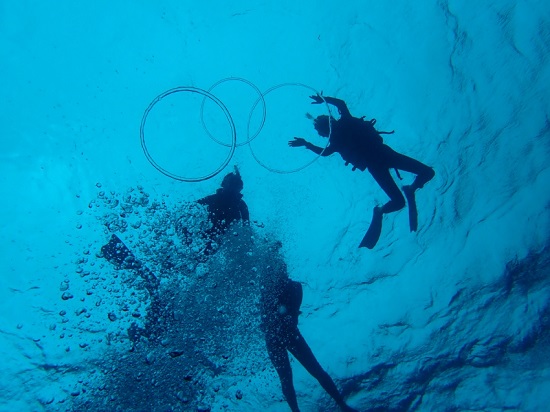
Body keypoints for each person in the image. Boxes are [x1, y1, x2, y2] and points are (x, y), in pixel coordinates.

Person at [288, 94, 435, 249]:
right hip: (379, 163)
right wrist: (307, 142)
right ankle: (380, 210)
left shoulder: (344, 124)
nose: (323, 133)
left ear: (326, 129)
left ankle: (410, 189)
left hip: (384, 157)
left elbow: (340, 105)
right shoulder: (339, 136)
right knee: (401, 200)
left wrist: (307, 142)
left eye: (322, 132)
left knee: (425, 176)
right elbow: (339, 108)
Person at [260, 248, 358, 412]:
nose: (280, 271)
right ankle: (297, 411)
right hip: (273, 337)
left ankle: (342, 405)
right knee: (286, 378)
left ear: (285, 268)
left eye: (281, 267)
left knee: (315, 370)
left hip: (289, 334)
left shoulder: (294, 287)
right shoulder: (267, 288)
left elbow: (292, 316)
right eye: (277, 268)